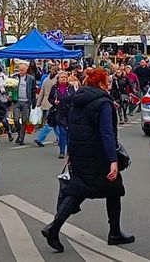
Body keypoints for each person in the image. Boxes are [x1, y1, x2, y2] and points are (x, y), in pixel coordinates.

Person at [42, 68, 134, 252]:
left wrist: (70, 153)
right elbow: (107, 133)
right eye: (107, 82)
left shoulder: (77, 100)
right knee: (111, 188)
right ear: (100, 83)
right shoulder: (103, 103)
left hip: (80, 153)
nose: (109, 85)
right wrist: (113, 160)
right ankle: (55, 227)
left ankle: (55, 227)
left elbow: (73, 128)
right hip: (98, 155)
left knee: (81, 190)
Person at [48, 71, 75, 158]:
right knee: (62, 132)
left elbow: (74, 98)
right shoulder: (55, 88)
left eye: (65, 77)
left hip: (69, 112)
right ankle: (62, 151)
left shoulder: (70, 87)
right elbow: (50, 98)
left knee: (69, 132)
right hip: (59, 112)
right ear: (58, 79)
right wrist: (54, 102)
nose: (63, 79)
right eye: (62, 77)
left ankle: (70, 150)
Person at [12, 63, 37, 145]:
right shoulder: (15, 77)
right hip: (17, 101)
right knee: (15, 119)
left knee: (24, 120)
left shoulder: (31, 78)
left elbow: (33, 90)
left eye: (22, 70)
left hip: (26, 102)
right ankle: (19, 135)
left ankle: (21, 138)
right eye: (20, 70)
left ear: (26, 70)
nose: (21, 72)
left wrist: (34, 102)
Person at [35, 66, 59, 147]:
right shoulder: (56, 81)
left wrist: (38, 103)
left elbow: (41, 92)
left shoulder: (46, 80)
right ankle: (40, 138)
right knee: (50, 123)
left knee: (55, 123)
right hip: (53, 103)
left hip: (45, 103)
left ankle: (60, 139)